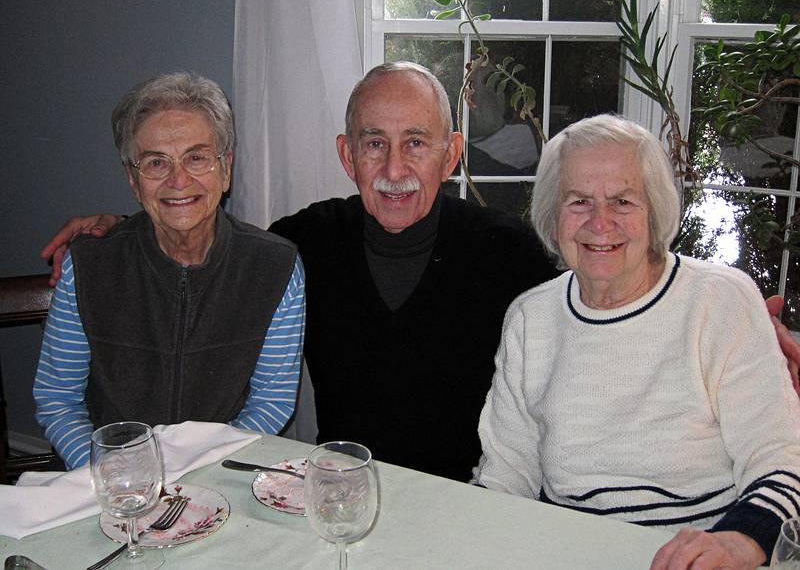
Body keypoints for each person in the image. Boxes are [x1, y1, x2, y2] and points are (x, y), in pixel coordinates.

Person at [39, 62, 800, 482]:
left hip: (478, 498)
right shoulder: (298, 247)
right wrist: (123, 227)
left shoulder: (507, 252)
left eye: (417, 143)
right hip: (338, 493)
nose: (395, 167)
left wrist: (736, 316)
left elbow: (609, 270)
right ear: (347, 155)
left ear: (453, 152)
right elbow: (210, 245)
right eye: (374, 143)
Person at [473, 114, 800, 569]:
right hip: (566, 553)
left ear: (655, 212)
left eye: (623, 201)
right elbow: (506, 473)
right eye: (579, 201)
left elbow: (782, 456)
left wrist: (740, 541)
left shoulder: (720, 300)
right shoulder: (532, 317)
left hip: (700, 555)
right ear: (553, 217)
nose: (600, 222)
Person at [33, 72, 305, 469]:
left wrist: (202, 472)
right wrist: (110, 472)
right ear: (132, 179)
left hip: (219, 474)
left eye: (196, 157)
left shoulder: (275, 268)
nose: (179, 180)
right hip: (108, 479)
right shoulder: (89, 267)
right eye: (156, 162)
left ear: (225, 169)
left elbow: (271, 401)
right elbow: (58, 398)